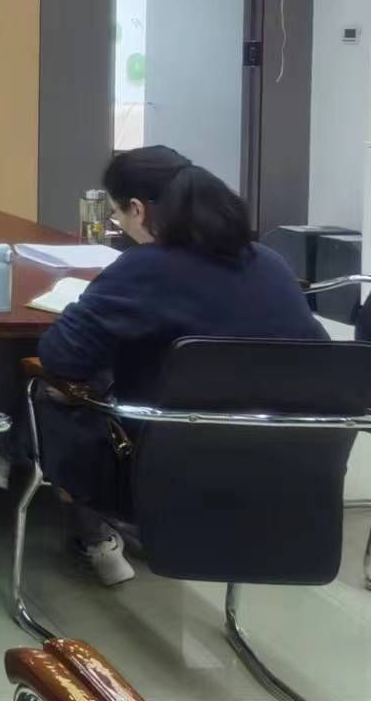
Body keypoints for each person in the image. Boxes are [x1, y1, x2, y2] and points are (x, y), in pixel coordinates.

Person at [32, 146, 324, 587]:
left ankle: (93, 537)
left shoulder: (146, 266)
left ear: (137, 209)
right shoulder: (271, 263)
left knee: (56, 389)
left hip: (170, 471)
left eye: (117, 215)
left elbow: (61, 355)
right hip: (289, 470)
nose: (120, 226)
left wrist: (88, 307)